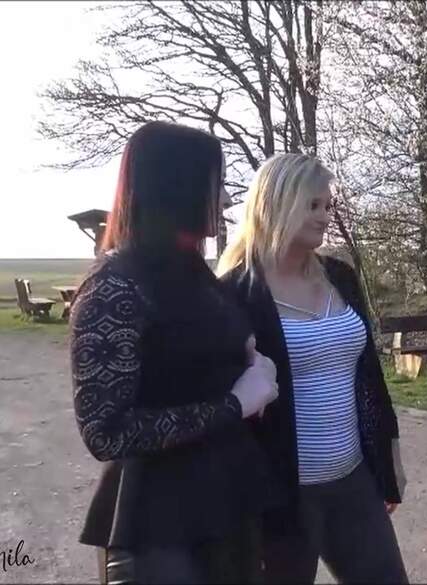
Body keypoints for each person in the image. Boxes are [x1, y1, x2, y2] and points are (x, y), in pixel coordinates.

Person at [69, 121, 279, 584]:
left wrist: (249, 363)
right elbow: (106, 433)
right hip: (159, 533)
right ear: (177, 185)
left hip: (228, 510)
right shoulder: (115, 287)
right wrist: (235, 403)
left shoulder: (196, 275)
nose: (226, 200)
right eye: (216, 184)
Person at [217, 153, 408, 584]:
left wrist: (388, 456)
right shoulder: (235, 293)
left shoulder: (339, 276)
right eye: (313, 205)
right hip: (281, 496)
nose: (325, 216)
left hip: (352, 480)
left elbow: (369, 375)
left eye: (327, 205)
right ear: (277, 204)